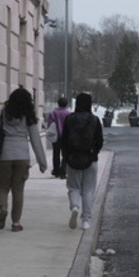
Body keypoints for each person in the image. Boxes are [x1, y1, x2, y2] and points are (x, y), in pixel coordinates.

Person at [0, 87, 47, 232]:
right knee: (18, 190)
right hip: (22, 156)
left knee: (2, 186)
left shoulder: (1, 113)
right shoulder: (28, 116)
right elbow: (35, 140)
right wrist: (42, 163)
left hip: (4, 155)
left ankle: (3, 208)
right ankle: (16, 223)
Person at [62, 92, 103, 231]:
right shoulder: (94, 120)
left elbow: (64, 140)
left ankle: (74, 206)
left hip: (73, 158)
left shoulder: (69, 119)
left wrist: (66, 157)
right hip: (90, 159)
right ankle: (86, 221)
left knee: (73, 187)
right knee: (88, 190)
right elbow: (100, 141)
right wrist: (94, 154)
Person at [46, 97, 72, 179]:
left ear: (58, 104)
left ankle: (56, 171)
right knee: (65, 154)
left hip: (56, 136)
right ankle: (63, 170)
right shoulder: (69, 114)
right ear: (66, 104)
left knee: (55, 153)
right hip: (66, 136)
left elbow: (49, 124)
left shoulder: (53, 113)